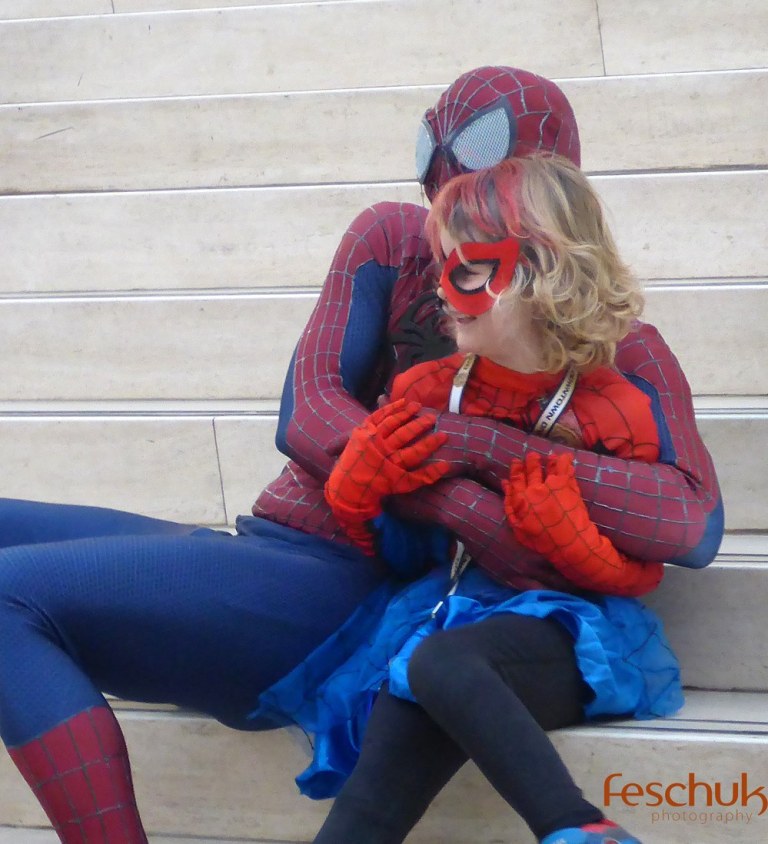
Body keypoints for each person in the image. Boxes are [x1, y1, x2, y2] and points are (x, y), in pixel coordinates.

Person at [0, 67, 721, 844]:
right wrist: (458, 495)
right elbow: (306, 415)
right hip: (282, 544)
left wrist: (476, 453)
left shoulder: (619, 348)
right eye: (431, 140)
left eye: (477, 144)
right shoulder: (396, 246)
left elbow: (691, 526)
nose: (443, 165)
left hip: (337, 586)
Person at [254, 154, 683, 844]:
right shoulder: (427, 391)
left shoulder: (614, 407)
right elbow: (406, 550)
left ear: (542, 273)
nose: (440, 289)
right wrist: (359, 494)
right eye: (438, 265)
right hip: (442, 616)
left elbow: (643, 570)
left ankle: (577, 827)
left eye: (465, 268)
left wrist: (571, 538)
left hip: (569, 634)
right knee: (380, 771)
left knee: (439, 665)